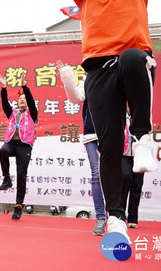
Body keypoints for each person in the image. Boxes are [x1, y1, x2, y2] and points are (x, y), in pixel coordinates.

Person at [62, 0, 157, 241]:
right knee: (110, 147)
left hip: (132, 62)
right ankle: (116, 217)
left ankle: (142, 138)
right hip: (98, 71)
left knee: (132, 57)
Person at [59, 64, 106, 235]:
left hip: (112, 133)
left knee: (115, 176)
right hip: (92, 134)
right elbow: (75, 98)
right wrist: (67, 77)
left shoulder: (115, 76)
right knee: (96, 175)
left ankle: (117, 215)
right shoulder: (88, 80)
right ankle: (101, 218)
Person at [0, 73, 37, 220]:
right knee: (2, 150)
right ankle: (6, 179)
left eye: (24, 99)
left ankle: (18, 205)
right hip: (11, 144)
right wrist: (3, 88)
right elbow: (4, 103)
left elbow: (32, 101)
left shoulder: (32, 114)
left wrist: (24, 87)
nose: (22, 100)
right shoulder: (13, 113)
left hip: (24, 147)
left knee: (21, 174)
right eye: (20, 98)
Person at [121, 109, 144, 229]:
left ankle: (133, 218)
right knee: (125, 177)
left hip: (139, 153)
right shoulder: (118, 113)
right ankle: (119, 214)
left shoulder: (141, 114)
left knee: (137, 184)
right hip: (123, 152)